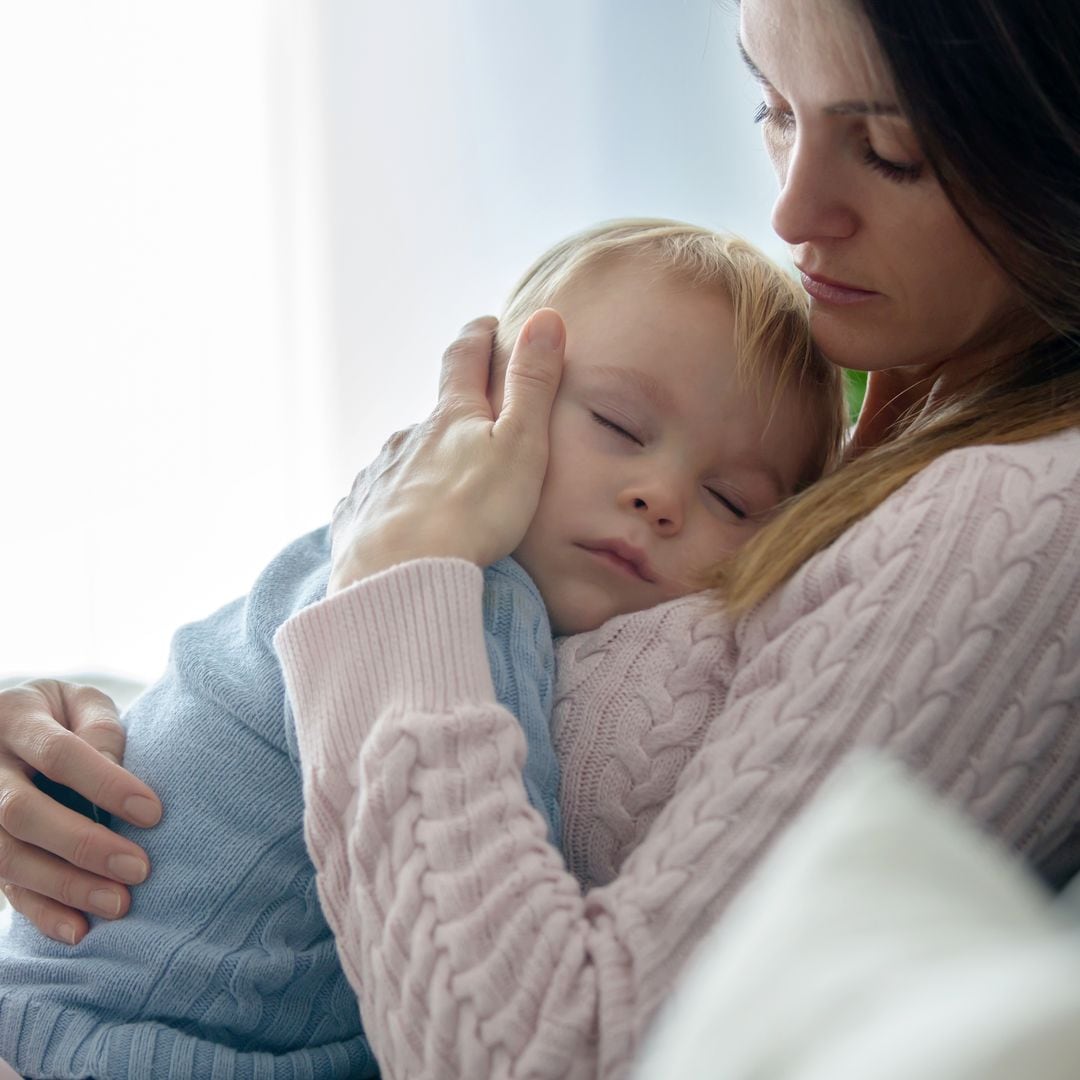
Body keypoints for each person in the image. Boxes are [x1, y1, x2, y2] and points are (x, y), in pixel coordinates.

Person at [2, 0, 1079, 1076]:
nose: (792, 211)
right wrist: (82, 736)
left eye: (891, 152)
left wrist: (396, 577)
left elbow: (555, 1048)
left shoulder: (1016, 521)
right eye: (773, 105)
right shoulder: (897, 397)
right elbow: (276, 731)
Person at [0, 219, 845, 1079]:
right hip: (113, 1045)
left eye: (731, 501)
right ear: (484, 403)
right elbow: (502, 902)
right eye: (620, 426)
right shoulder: (462, 598)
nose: (661, 495)